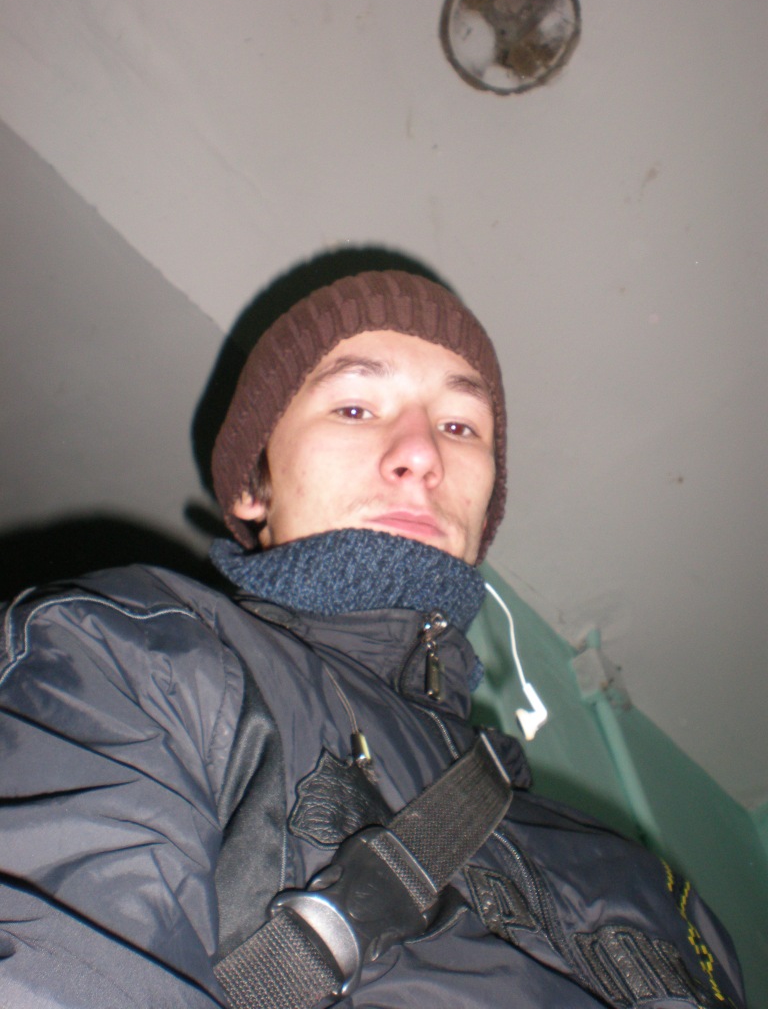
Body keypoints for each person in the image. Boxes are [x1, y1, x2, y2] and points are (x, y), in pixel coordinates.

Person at [0, 270, 745, 1008]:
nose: (423, 454)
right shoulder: (128, 656)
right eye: (354, 408)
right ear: (252, 488)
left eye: (460, 427)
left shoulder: (652, 885)